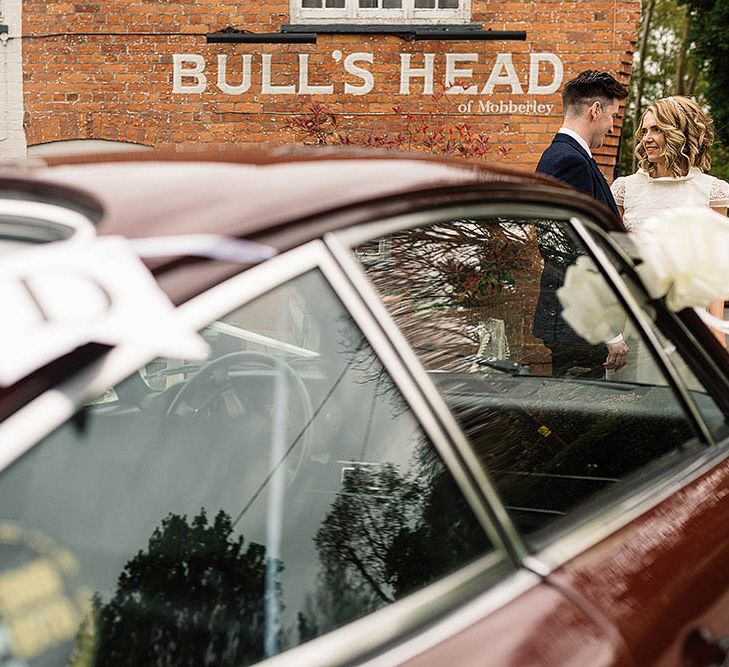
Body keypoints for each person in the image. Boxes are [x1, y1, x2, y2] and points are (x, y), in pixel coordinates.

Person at [607, 96, 729, 381]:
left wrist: (717, 337)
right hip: (633, 319)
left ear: (680, 134)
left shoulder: (711, 191)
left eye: (657, 130)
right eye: (645, 131)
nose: (647, 139)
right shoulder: (625, 189)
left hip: (689, 323)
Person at [534, 70, 629, 377]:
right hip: (579, 325)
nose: (612, 126)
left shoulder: (562, 156)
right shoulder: (570, 162)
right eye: (612, 115)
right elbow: (572, 251)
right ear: (595, 110)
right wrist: (609, 332)